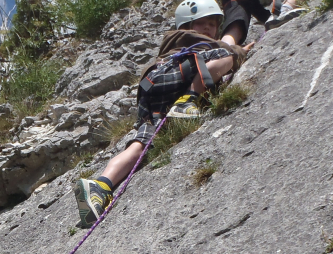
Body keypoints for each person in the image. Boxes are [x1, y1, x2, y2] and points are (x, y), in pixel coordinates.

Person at [73, 0, 249, 228]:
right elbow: (225, 46)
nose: (208, 29)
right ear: (186, 24)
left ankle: (100, 186)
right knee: (226, 58)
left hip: (153, 92)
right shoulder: (189, 39)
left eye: (212, 24)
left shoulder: (174, 43)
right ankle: (189, 100)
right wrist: (239, 52)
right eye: (202, 23)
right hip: (174, 77)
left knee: (140, 144)